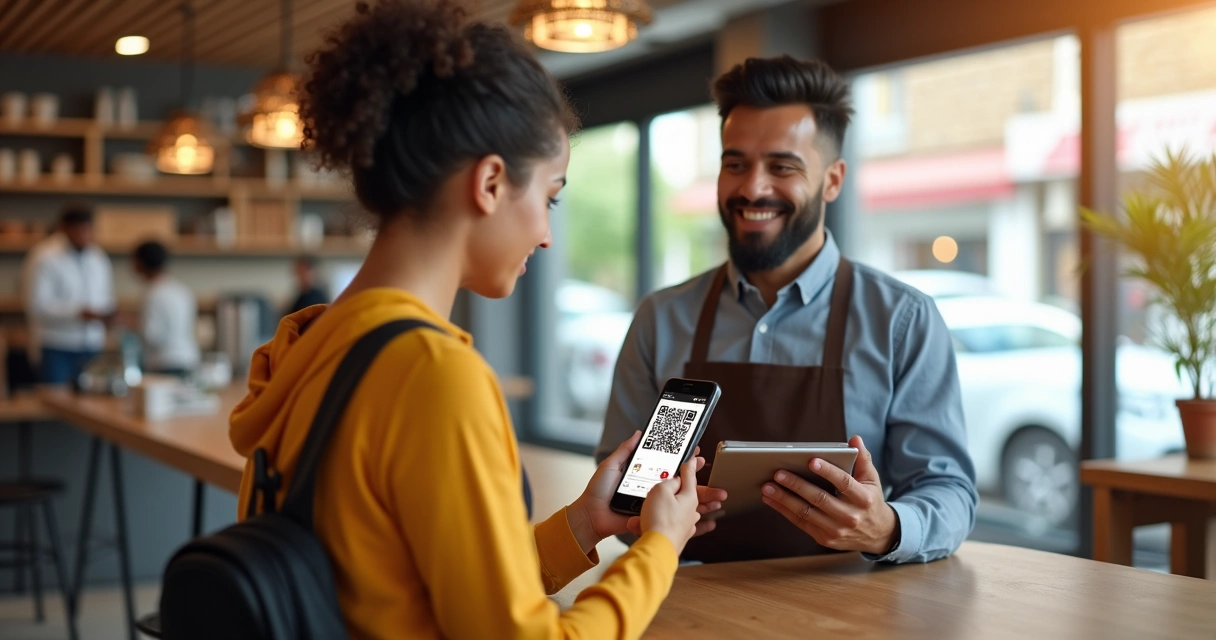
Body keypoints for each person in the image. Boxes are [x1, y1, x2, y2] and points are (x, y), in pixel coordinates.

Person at [228, 2, 725, 638]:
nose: (547, 236)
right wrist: (659, 546)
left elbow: (406, 586)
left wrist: (582, 526)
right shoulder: (432, 375)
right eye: (548, 197)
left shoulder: (309, 347)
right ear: (490, 182)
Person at [597, 55, 977, 565]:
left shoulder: (902, 321)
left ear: (834, 180)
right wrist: (641, 516)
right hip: (687, 607)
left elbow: (947, 489)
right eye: (735, 164)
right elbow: (618, 488)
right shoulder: (661, 318)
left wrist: (886, 527)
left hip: (853, 612)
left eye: (782, 167)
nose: (753, 188)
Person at [27, 205, 114, 384]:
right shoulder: (44, 256)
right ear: (64, 228)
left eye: (88, 229)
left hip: (92, 344)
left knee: (92, 403)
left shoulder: (98, 257)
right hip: (57, 345)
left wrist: (108, 313)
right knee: (57, 402)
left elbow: (105, 295)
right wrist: (78, 313)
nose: (84, 235)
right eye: (79, 230)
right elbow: (37, 305)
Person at [132, 240, 200, 376]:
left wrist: (131, 324)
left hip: (163, 364)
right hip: (188, 359)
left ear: (141, 263)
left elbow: (152, 336)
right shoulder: (182, 290)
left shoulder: (152, 293)